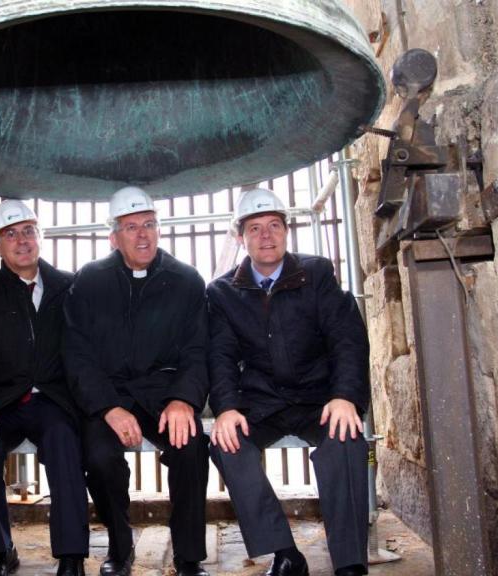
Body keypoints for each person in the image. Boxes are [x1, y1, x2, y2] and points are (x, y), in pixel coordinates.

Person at [206, 188, 371, 576]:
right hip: (262, 402)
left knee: (346, 441)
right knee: (227, 445)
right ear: (241, 237)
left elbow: (347, 339)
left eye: (274, 226)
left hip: (319, 400)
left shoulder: (317, 275)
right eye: (255, 228)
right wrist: (226, 408)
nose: (266, 235)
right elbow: (220, 356)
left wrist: (345, 396)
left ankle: (350, 563)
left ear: (286, 231)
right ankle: (285, 554)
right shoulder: (223, 292)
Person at [64, 187, 210, 576]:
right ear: (114, 238)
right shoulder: (89, 281)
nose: (142, 235)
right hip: (109, 395)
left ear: (159, 230)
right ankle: (119, 545)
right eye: (131, 227)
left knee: (191, 446)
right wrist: (108, 407)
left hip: (165, 393)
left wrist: (183, 400)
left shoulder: (186, 280)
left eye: (149, 224)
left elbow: (198, 350)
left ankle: (189, 556)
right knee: (98, 456)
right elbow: (77, 354)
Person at [0, 200, 88, 576]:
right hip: (0, 403)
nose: (21, 240)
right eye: (11, 234)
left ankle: (71, 555)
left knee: (63, 438)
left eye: (28, 231)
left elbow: (88, 352)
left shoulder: (71, 288)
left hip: (54, 400)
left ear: (40, 236)